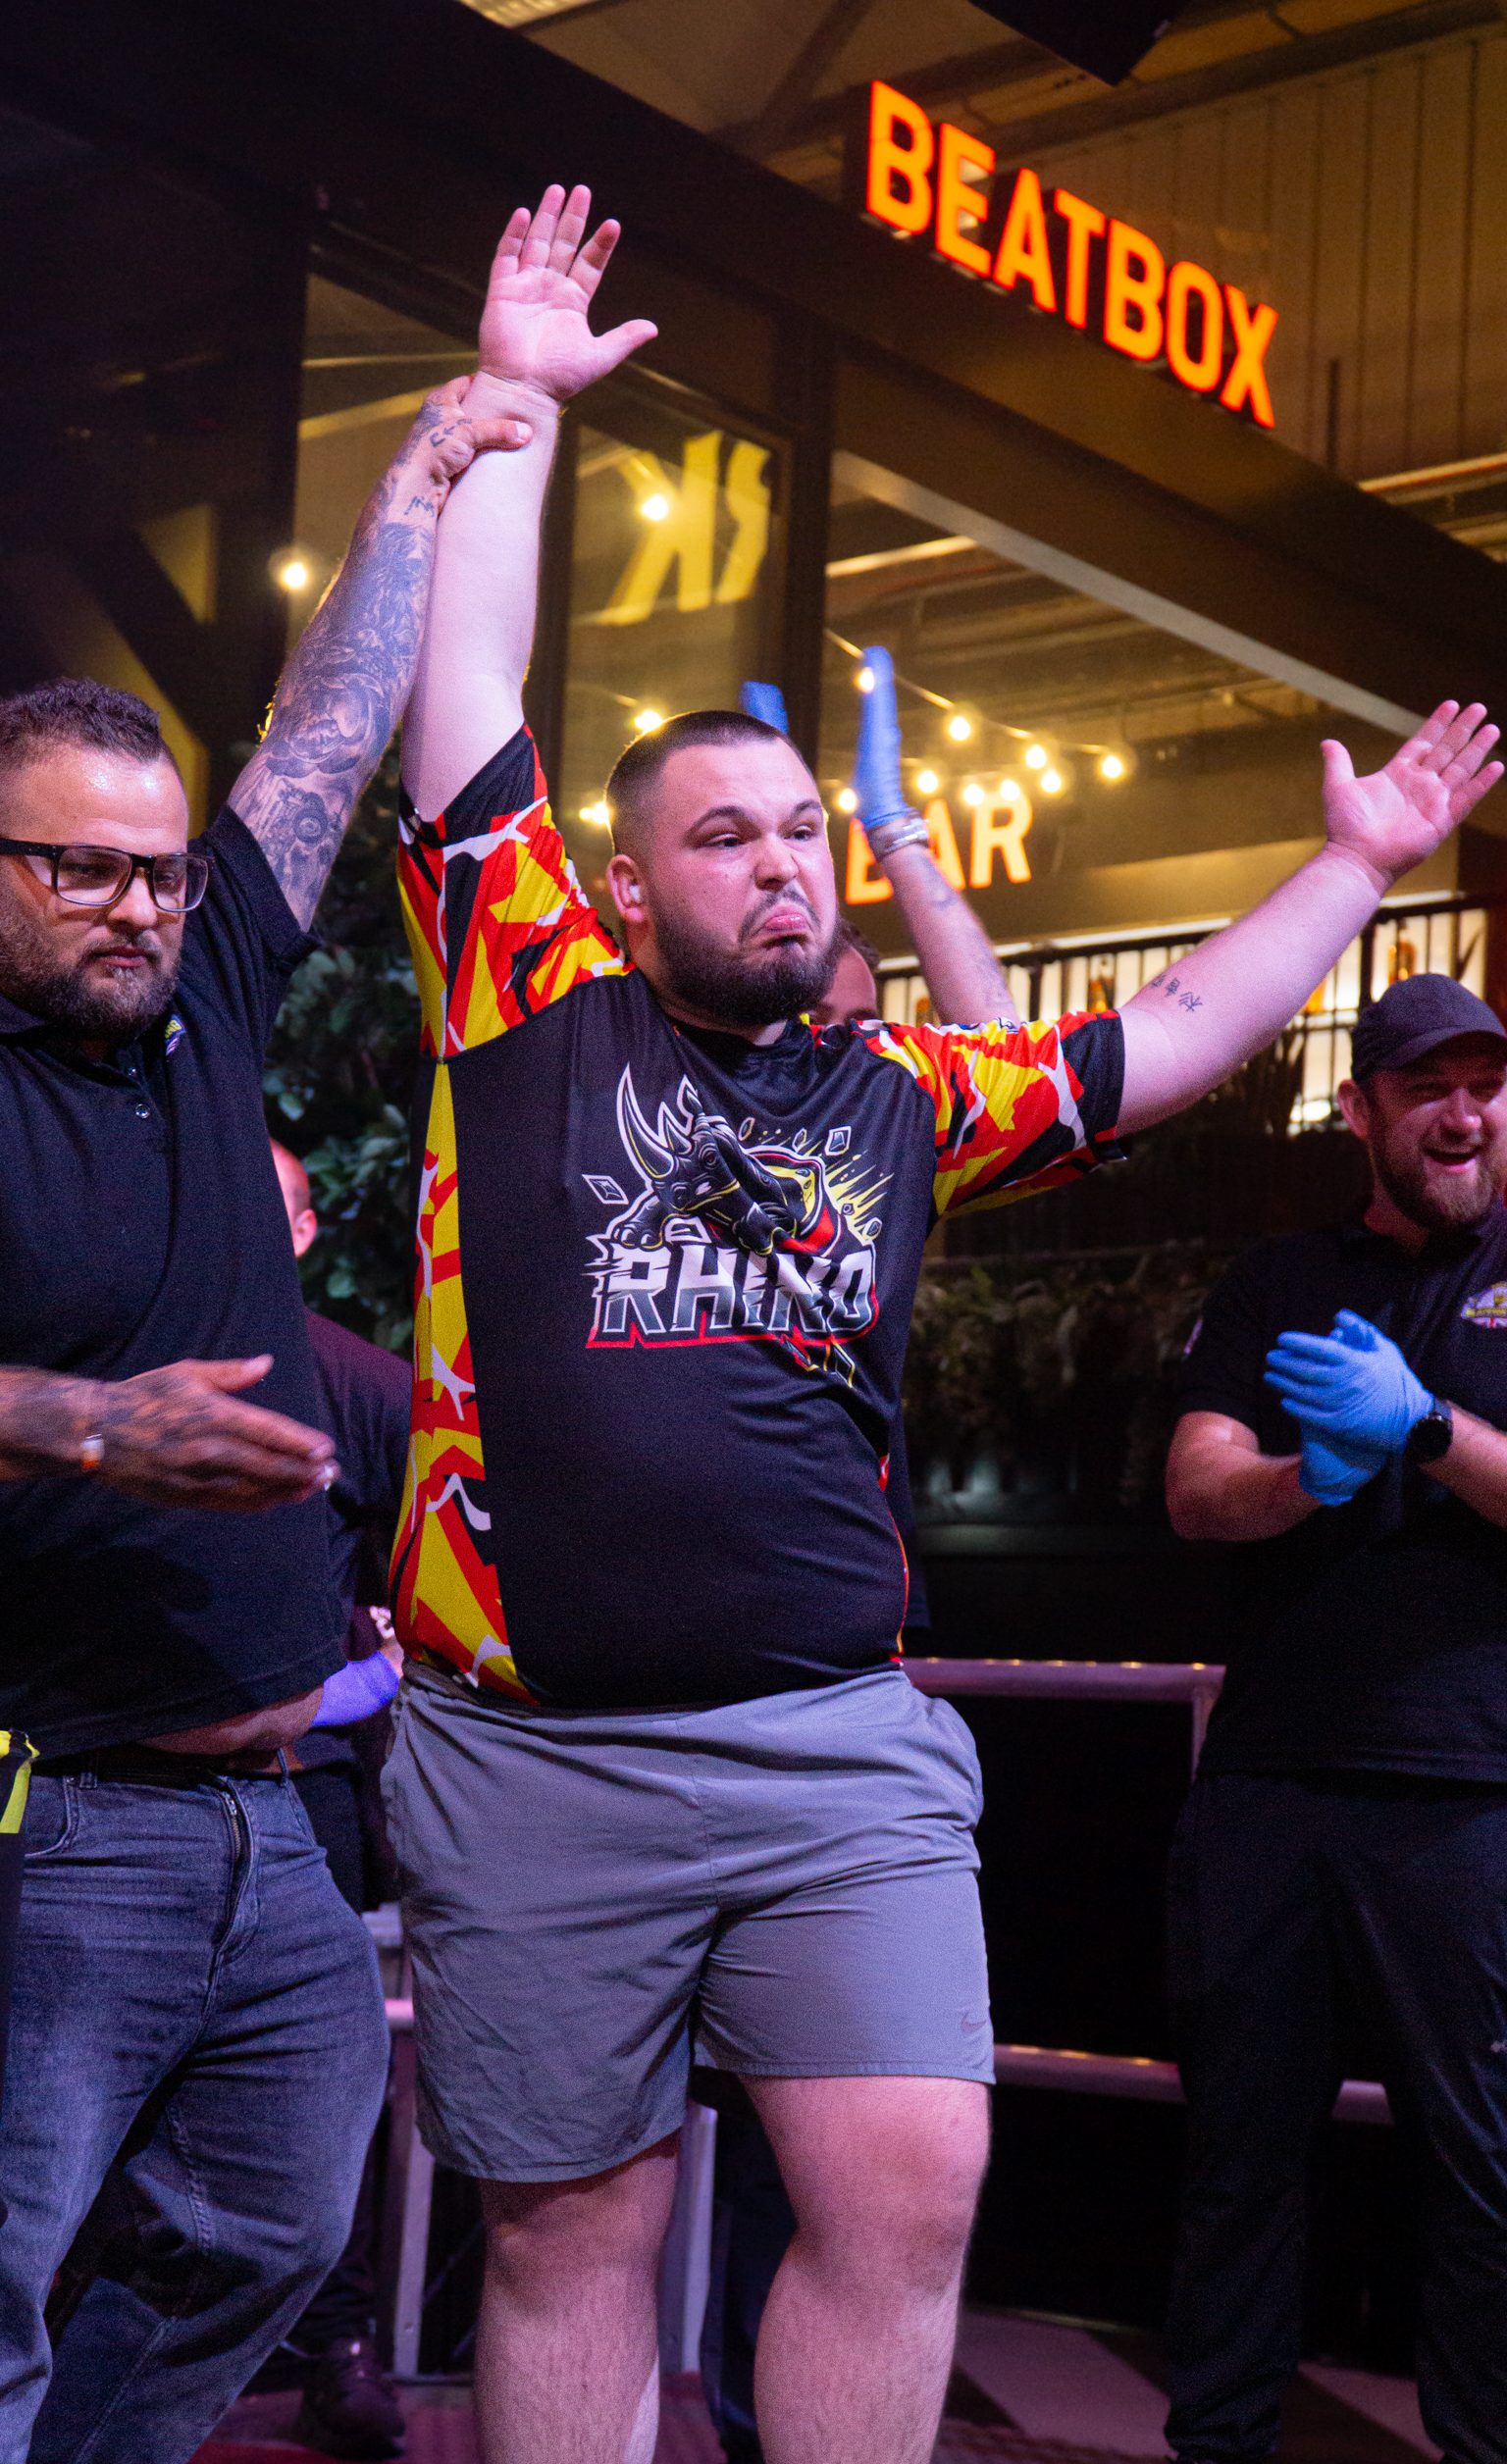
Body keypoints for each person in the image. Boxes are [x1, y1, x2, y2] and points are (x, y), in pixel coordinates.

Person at [384, 180, 1499, 2464]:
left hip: (833, 1746)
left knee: (913, 2178)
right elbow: (471, 684)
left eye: (805, 831)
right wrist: (511, 397)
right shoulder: (522, 995)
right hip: (538, 1740)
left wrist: (1357, 859)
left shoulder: (902, 1090)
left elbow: (1175, 1027)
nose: (786, 864)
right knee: (570, 2228)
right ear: (626, 876)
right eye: (729, 837)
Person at [0, 375, 530, 2464]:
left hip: (275, 1810)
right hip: (58, 1811)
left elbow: (321, 744)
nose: (139, 903)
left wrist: (413, 481)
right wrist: (81, 1424)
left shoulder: (205, 975)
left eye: (153, 866)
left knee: (271, 2230)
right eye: (77, 870)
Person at [1165, 970, 1507, 2464]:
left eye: (1488, 1082)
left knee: (1481, 2167)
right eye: (1429, 1085)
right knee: (1242, 2157)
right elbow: (1196, 1486)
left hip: (1473, 1789)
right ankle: (1218, 2447)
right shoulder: (1279, 1282)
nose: (1465, 1112)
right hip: (1272, 1780)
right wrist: (1316, 1475)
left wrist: (1426, 1433)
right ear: (1360, 1110)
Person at [270, 1138, 411, 2462]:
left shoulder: (357, 1381)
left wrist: (362, 1685)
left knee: (329, 2081)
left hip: (298, 1791)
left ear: (308, 1232)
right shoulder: (109, 1345)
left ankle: (340, 2348)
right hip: (107, 1781)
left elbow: (441, 1568)